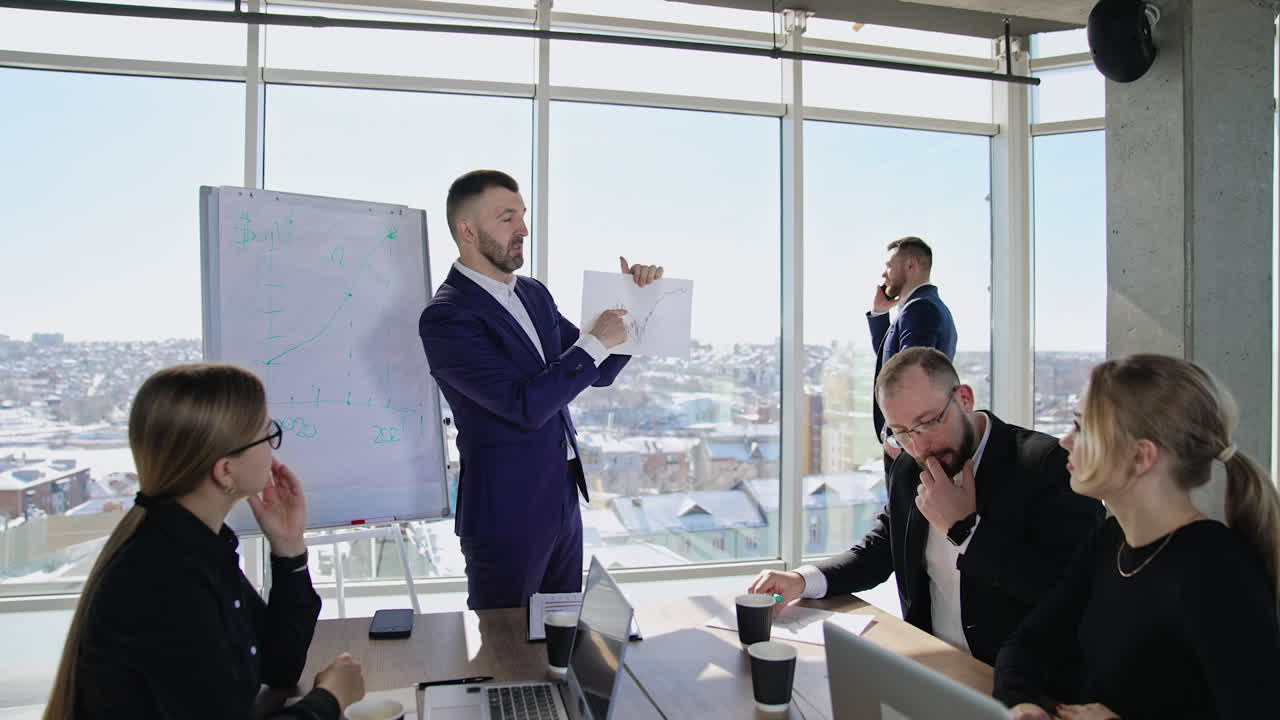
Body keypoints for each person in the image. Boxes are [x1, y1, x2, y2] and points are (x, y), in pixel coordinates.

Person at [43, 363, 365, 720]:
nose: (273, 449)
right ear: (226, 470)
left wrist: (288, 549)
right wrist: (331, 698)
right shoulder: (168, 579)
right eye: (266, 434)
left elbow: (278, 665)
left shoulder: (194, 546)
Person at [750, 348, 1104, 665]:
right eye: (901, 432)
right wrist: (802, 580)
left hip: (1022, 687)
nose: (919, 446)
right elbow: (881, 550)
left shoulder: (1048, 465)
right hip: (932, 670)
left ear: (964, 398)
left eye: (928, 422)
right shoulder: (908, 466)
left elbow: (1070, 595)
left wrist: (966, 530)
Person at [418, 169, 663, 610]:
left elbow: (598, 371)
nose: (523, 229)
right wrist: (596, 340)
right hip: (505, 514)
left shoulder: (533, 294)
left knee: (561, 631)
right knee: (505, 641)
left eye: (523, 216)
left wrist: (636, 302)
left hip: (562, 498)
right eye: (507, 218)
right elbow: (525, 406)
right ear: (467, 230)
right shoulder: (447, 317)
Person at [995, 354, 1280, 720]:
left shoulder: (1217, 571)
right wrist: (1021, 704)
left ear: (1141, 456)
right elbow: (1027, 645)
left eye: (1081, 428)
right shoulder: (1110, 539)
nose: (1065, 441)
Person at [870, 237, 957, 471]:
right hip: (912, 442)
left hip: (910, 445)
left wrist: (896, 438)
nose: (884, 274)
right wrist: (879, 314)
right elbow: (892, 364)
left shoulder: (920, 308)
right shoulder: (922, 307)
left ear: (911, 265)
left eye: (889, 266)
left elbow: (909, 377)